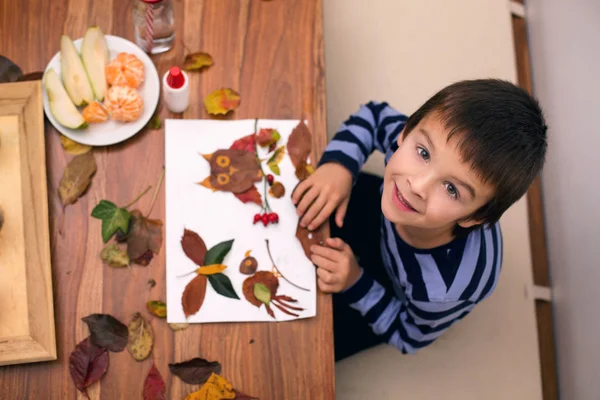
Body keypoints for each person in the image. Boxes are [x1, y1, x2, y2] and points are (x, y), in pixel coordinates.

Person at [291, 79, 547, 361]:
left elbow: (407, 335)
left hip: (396, 285)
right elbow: (374, 116)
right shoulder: (412, 147)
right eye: (423, 153)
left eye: (451, 189)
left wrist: (356, 282)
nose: (416, 185)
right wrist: (338, 166)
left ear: (474, 217)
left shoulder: (442, 291)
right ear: (407, 130)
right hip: (381, 216)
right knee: (299, 200)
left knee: (304, 343)